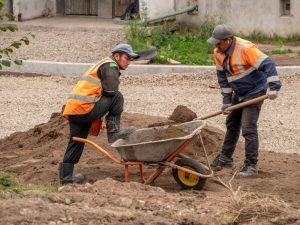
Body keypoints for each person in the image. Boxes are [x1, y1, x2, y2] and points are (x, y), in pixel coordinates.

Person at [207, 24, 282, 176]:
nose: (216, 46)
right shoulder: (218, 52)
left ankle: (251, 165)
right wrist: (227, 101)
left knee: (248, 127)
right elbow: (222, 78)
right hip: (239, 92)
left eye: (218, 42)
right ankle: (226, 158)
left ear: (228, 40)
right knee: (232, 123)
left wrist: (274, 87)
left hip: (255, 91)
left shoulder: (245, 48)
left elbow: (268, 64)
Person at [59, 43, 139, 184]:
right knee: (117, 96)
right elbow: (111, 92)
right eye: (127, 58)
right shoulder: (111, 65)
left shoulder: (103, 63)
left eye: (131, 59)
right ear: (116, 56)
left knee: (76, 141)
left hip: (75, 110)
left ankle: (66, 178)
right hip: (85, 109)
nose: (129, 62)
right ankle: (114, 133)